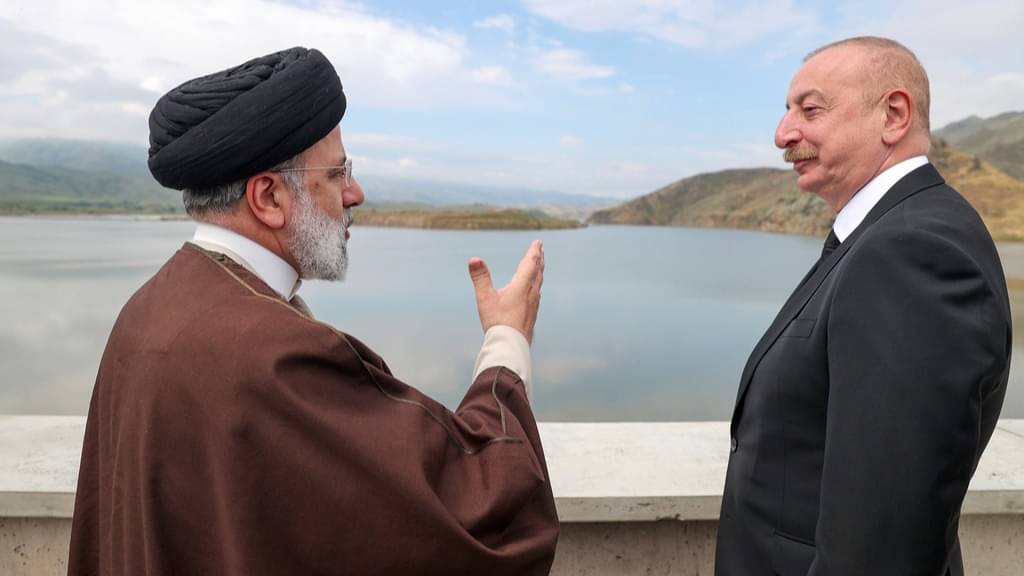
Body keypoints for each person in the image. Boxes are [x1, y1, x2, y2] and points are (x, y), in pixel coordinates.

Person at [67, 47, 558, 575]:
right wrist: (506, 340)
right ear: (269, 198)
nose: (356, 193)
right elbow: (475, 513)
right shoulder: (275, 357)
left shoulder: (143, 312)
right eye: (338, 173)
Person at [715, 36, 1011, 576]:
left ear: (893, 115)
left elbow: (882, 547)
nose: (783, 133)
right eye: (786, 111)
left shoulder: (911, 254)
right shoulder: (884, 236)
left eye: (810, 108)